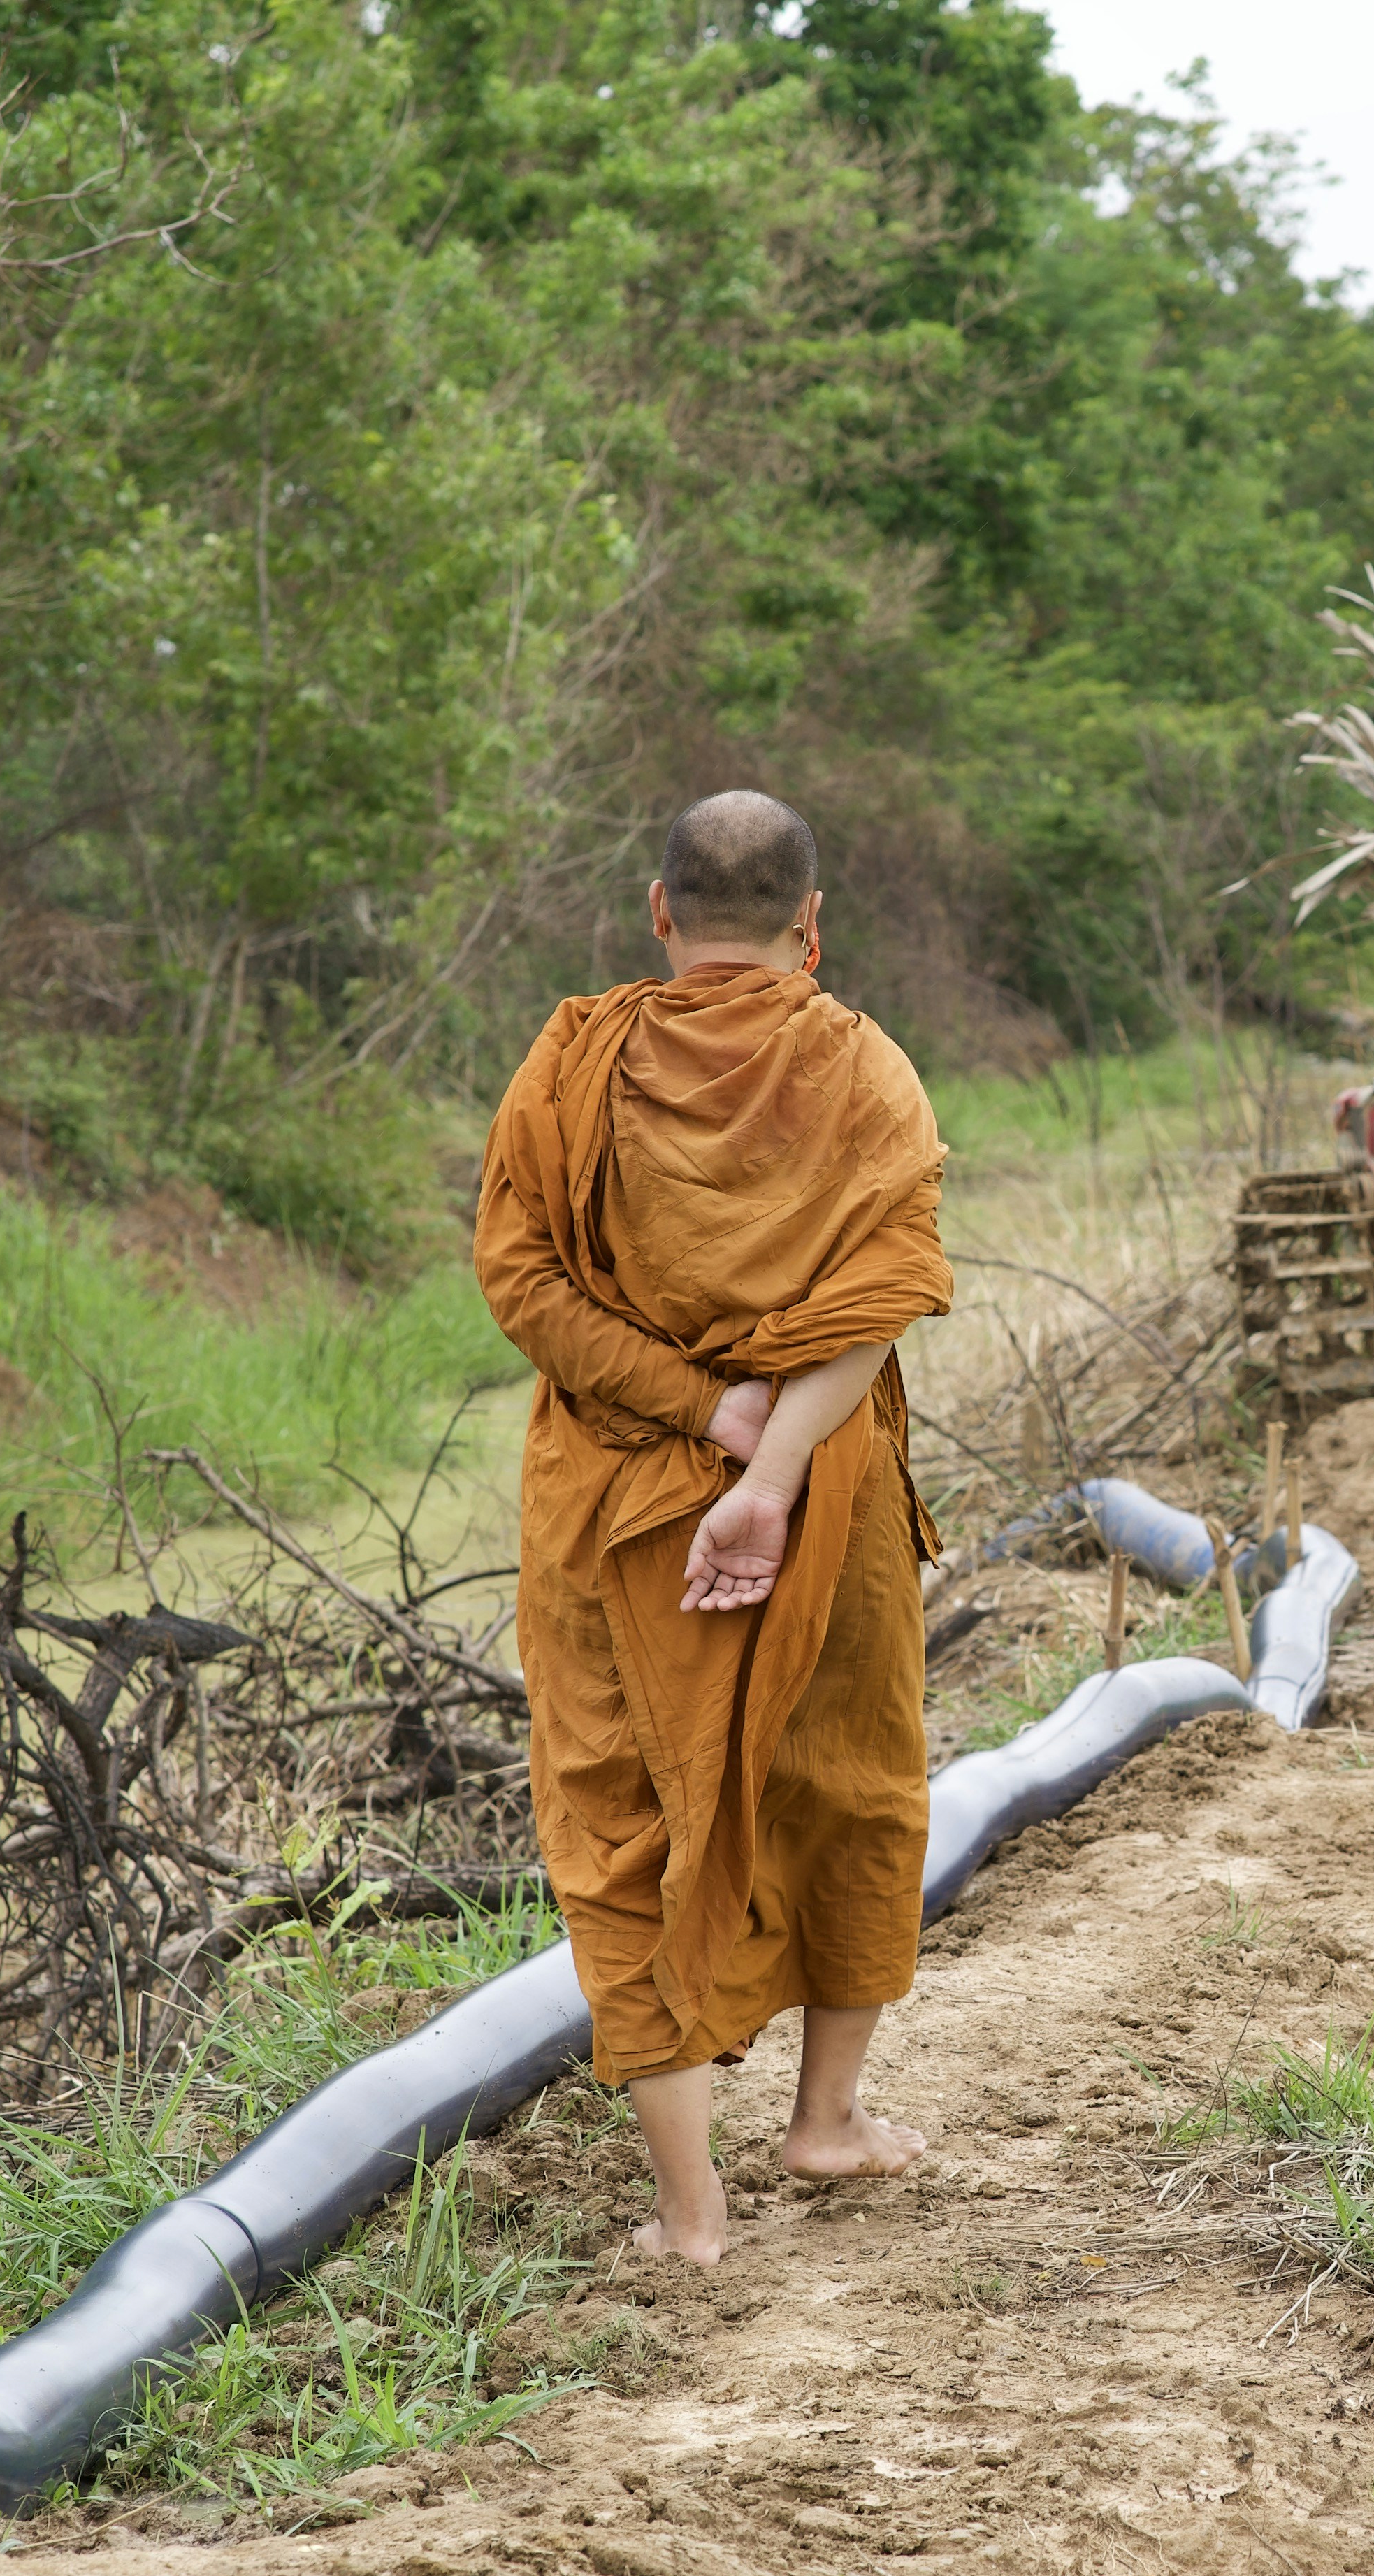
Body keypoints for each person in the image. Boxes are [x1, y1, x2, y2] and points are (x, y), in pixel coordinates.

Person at [474, 789, 954, 2264]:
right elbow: (876, 1302)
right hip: (823, 1501)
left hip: (619, 1509)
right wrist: (767, 1461)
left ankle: (692, 2214)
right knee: (849, 1782)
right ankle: (828, 2120)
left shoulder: (570, 1065)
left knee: (626, 1825)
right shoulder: (868, 1069)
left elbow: (522, 1283)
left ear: (662, 912)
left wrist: (700, 1413)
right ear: (812, 927)